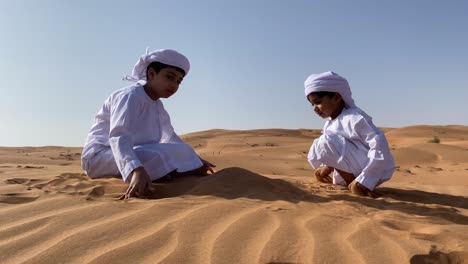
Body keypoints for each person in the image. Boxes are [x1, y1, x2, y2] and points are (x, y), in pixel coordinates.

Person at [81, 48, 215, 199]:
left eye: (178, 81)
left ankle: (167, 173)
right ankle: (152, 175)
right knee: (153, 156)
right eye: (170, 77)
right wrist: (136, 170)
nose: (174, 85)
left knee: (183, 149)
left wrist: (195, 159)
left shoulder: (158, 106)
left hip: (136, 150)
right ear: (151, 74)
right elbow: (118, 137)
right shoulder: (130, 96)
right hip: (101, 156)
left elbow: (169, 136)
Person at [304, 71, 395, 197]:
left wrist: (365, 179)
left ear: (336, 97)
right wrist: (327, 167)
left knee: (325, 141)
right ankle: (351, 183)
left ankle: (357, 185)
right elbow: (338, 149)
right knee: (322, 142)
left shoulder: (354, 117)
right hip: (356, 168)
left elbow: (379, 144)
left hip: (372, 169)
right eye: (312, 104)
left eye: (318, 102)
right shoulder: (330, 124)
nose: (315, 108)